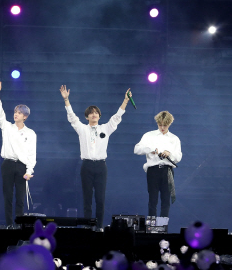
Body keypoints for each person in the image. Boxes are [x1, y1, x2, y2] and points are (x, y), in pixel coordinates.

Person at [60, 85, 132, 230]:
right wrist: (66, 100)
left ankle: (99, 227)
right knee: (87, 198)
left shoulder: (105, 128)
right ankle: (88, 227)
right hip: (86, 166)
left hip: (101, 166)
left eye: (96, 113)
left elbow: (117, 117)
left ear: (99, 116)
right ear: (86, 117)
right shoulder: (82, 128)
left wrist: (125, 101)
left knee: (100, 199)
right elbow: (72, 117)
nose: (94, 115)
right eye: (91, 113)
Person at [0, 80, 36, 229]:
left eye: (19, 113)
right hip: (8, 164)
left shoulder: (30, 133)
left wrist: (29, 171)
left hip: (22, 166)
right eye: (15, 112)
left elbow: (32, 154)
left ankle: (19, 225)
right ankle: (9, 224)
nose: (16, 114)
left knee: (20, 198)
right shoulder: (7, 127)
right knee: (7, 196)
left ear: (25, 116)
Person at [134, 111, 182, 218]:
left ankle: (163, 225)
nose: (162, 128)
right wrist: (150, 149)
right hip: (153, 170)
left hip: (167, 170)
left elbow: (178, 157)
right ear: (157, 123)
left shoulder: (174, 139)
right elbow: (136, 149)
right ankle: (152, 225)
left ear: (169, 124)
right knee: (153, 200)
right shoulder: (149, 135)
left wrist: (169, 153)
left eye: (165, 125)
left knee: (166, 201)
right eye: (160, 125)